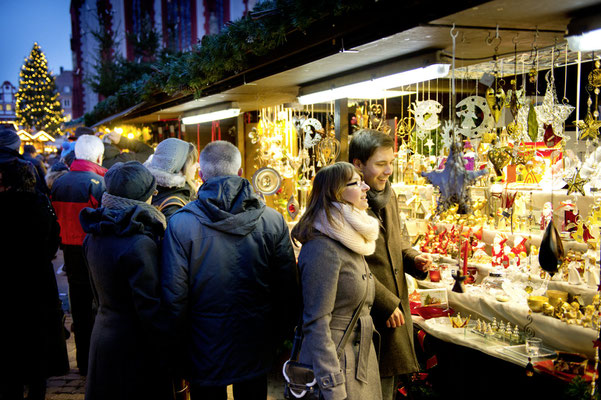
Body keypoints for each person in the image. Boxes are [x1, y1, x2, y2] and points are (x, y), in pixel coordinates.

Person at [161, 140, 299, 400]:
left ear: (201, 175)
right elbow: (286, 287)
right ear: (239, 172)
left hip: (203, 340)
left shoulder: (181, 223)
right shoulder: (272, 219)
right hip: (256, 337)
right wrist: (279, 334)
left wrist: (177, 342)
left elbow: (174, 294)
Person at [349, 129, 432, 399]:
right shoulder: (347, 204)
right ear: (358, 165)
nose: (388, 171)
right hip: (368, 314)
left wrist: (415, 259)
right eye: (381, 164)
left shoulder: (389, 194)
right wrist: (385, 302)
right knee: (371, 389)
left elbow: (399, 242)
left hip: (396, 312)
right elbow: (350, 266)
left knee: (389, 388)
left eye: (391, 163)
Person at [290, 162, 382, 400]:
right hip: (336, 367)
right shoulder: (323, 246)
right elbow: (316, 323)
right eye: (355, 182)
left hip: (357, 362)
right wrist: (333, 385)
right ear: (336, 193)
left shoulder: (351, 239)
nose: (365, 187)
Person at [80, 161, 170, 400]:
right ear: (143, 198)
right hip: (133, 345)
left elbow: (95, 294)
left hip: (103, 335)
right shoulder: (138, 243)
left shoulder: (95, 231)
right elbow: (148, 306)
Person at [0, 158, 69, 400]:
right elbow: (54, 240)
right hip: (39, 278)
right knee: (38, 333)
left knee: (11, 336)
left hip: (8, 280)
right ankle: (38, 387)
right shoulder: (42, 203)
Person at [51, 134, 107, 376]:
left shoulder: (59, 183)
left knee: (80, 308)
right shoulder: (99, 183)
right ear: (98, 156)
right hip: (93, 250)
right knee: (98, 307)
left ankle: (84, 362)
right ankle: (97, 363)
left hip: (70, 254)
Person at [144, 138, 198, 220]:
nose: (197, 166)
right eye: (193, 162)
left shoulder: (148, 190)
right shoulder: (174, 207)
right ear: (180, 168)